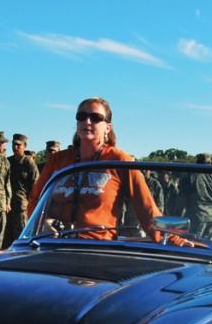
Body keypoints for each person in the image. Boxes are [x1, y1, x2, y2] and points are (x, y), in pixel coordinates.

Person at [27, 97, 161, 239]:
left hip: (97, 248)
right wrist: (42, 224)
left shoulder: (120, 160)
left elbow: (146, 208)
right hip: (54, 244)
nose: (87, 121)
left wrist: (173, 239)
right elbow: (35, 199)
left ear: (108, 128)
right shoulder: (58, 160)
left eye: (95, 118)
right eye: (82, 116)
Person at [5, 133, 40, 246]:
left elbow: (36, 185)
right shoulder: (8, 162)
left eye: (18, 145)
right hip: (6, 205)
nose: (15, 147)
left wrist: (31, 204)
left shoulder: (29, 163)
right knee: (6, 237)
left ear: (24, 146)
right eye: (14, 144)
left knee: (21, 236)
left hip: (21, 206)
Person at [179, 153, 212, 239]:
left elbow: (181, 199)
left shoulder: (191, 177)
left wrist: (177, 218)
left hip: (197, 217)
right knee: (208, 247)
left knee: (193, 247)